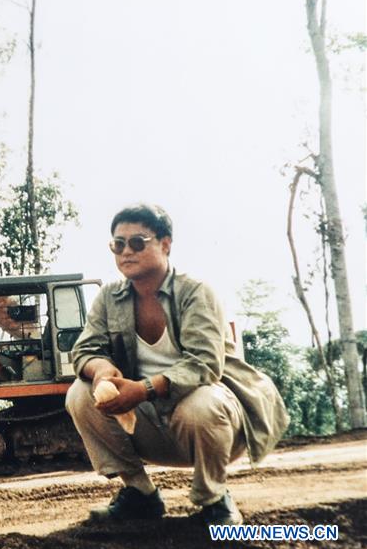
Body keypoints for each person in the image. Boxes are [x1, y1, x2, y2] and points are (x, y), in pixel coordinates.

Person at [66, 204, 289, 526]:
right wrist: (100, 369)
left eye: (137, 242)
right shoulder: (108, 297)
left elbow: (205, 364)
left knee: (202, 403)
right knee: (79, 393)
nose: (126, 251)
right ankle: (140, 495)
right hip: (151, 424)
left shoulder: (196, 292)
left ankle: (214, 499)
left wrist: (142, 390)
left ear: (165, 244)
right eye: (118, 244)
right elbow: (85, 348)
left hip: (214, 422)